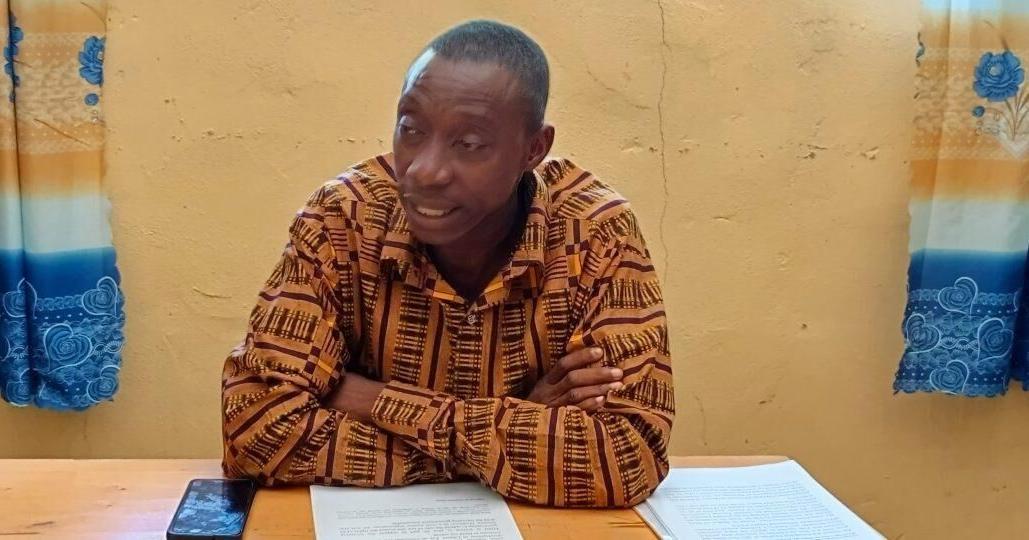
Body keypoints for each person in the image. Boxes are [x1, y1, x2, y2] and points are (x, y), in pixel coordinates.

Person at [221, 19, 674, 508]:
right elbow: (254, 426)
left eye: (469, 144)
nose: (424, 170)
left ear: (534, 149)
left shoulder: (595, 233)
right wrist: (512, 426)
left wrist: (371, 400)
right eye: (411, 130)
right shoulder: (343, 218)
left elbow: (628, 456)